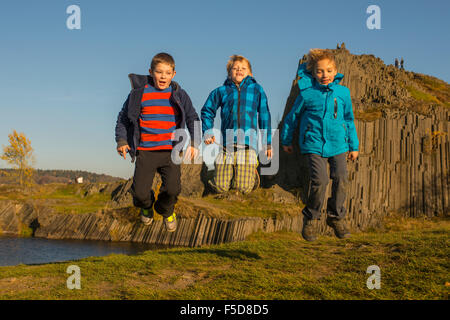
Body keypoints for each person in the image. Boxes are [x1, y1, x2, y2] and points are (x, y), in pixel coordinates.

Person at [115, 52, 200, 232]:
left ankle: (165, 209)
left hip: (171, 151)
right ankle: (147, 206)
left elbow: (193, 117)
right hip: (146, 151)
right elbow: (123, 118)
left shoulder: (179, 94)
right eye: (159, 72)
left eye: (167, 73)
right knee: (139, 193)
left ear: (173, 74)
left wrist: (195, 142)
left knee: (173, 189)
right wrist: (122, 140)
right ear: (151, 72)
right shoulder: (138, 94)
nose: (163, 76)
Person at [281, 49, 359, 241]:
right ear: (313, 73)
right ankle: (311, 218)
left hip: (339, 144)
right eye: (320, 71)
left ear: (336, 71)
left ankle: (336, 217)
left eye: (329, 70)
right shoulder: (307, 93)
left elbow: (349, 119)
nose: (325, 75)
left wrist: (353, 145)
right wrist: (286, 140)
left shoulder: (343, 93)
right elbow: (292, 118)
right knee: (320, 181)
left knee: (341, 177)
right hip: (313, 144)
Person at [201, 55, 272, 194]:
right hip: (227, 144)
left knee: (242, 188)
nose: (239, 70)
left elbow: (264, 115)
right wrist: (207, 131)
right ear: (229, 73)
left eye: (243, 68)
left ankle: (251, 176)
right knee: (220, 188)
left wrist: (267, 142)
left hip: (248, 144)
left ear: (250, 73)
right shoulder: (221, 91)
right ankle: (219, 175)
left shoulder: (257, 89)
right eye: (235, 68)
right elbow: (207, 110)